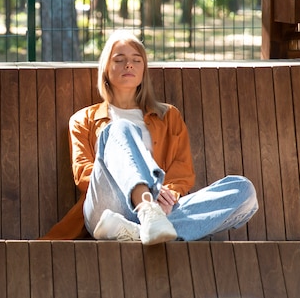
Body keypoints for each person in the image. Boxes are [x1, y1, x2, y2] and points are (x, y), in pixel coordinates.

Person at [41, 30, 258, 244]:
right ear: (106, 68)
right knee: (119, 129)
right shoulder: (83, 120)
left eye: (136, 60)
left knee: (243, 191)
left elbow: (182, 171)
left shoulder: (169, 116)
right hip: (107, 209)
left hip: (161, 209)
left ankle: (135, 232)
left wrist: (166, 196)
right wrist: (148, 192)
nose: (129, 65)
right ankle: (148, 213)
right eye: (120, 59)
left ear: (144, 70)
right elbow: (83, 175)